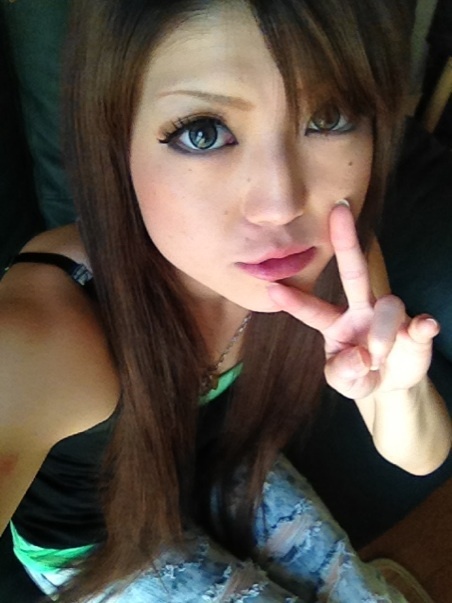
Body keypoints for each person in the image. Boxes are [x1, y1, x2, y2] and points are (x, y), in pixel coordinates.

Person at [0, 0, 450, 601]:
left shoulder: (335, 260)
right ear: (116, 146)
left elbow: (421, 456)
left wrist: (397, 389)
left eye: (329, 117)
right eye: (203, 132)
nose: (281, 204)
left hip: (216, 464)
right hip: (95, 543)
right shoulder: (52, 332)